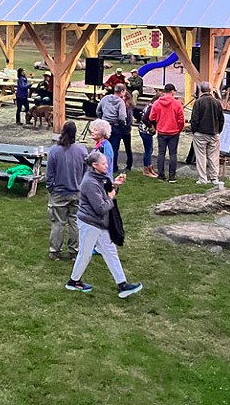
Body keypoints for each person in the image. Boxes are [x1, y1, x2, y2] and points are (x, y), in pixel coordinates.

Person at [65, 151, 142, 298]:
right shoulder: (89, 183)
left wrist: (115, 185)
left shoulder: (102, 177)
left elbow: (107, 192)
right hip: (90, 223)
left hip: (101, 223)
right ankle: (73, 282)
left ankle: (122, 285)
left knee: (110, 252)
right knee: (85, 254)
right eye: (104, 163)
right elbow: (101, 207)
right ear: (95, 165)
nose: (107, 165)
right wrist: (111, 197)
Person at [45, 121, 86, 261]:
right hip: (76, 192)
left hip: (59, 193)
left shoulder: (54, 151)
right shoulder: (82, 151)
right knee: (74, 221)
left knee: (58, 223)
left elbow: (49, 174)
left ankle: (54, 251)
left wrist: (51, 188)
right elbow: (85, 172)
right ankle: (74, 252)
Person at [149, 83, 186, 183]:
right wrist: (180, 128)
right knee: (173, 154)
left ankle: (161, 175)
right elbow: (181, 118)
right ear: (173, 91)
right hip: (174, 132)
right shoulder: (177, 103)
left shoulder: (157, 103)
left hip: (161, 131)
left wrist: (158, 122)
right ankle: (172, 176)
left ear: (164, 91)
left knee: (161, 153)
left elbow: (151, 117)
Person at [191, 81, 225, 185]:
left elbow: (195, 119)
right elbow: (221, 119)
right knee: (214, 157)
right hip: (214, 133)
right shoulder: (217, 102)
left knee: (201, 157)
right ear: (210, 90)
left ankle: (203, 179)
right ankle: (214, 178)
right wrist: (218, 130)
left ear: (201, 90)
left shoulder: (198, 102)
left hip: (201, 133)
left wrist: (194, 130)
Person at [96, 84, 127, 168]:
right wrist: (123, 125)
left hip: (105, 125)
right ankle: (112, 166)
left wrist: (102, 119)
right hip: (115, 126)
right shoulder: (121, 102)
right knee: (114, 147)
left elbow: (98, 110)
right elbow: (122, 117)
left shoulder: (105, 98)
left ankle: (101, 164)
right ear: (122, 91)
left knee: (103, 146)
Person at [137, 90, 162, 178]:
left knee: (149, 149)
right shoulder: (152, 107)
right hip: (145, 131)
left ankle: (149, 167)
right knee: (148, 150)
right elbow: (144, 119)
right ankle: (146, 169)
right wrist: (151, 126)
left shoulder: (149, 105)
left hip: (143, 130)